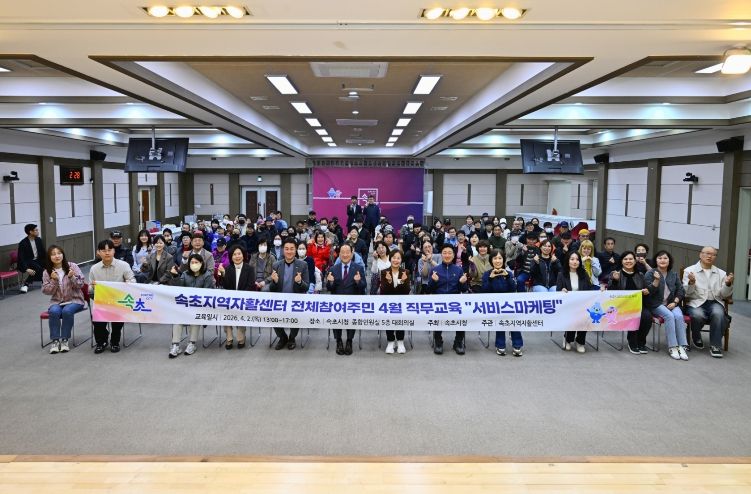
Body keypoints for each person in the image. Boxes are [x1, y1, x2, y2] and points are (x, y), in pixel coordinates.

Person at [682, 246, 734, 358]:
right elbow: (687, 293)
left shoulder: (721, 273)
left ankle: (715, 345)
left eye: (713, 254)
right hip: (696, 302)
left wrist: (728, 284)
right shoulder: (689, 271)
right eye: (707, 253)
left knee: (718, 314)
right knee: (697, 315)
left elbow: (724, 295)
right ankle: (696, 336)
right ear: (700, 254)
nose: (710, 256)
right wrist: (691, 283)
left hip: (714, 302)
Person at [162, 254, 216, 357]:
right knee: (177, 318)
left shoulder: (207, 275)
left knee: (195, 317)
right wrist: (175, 276)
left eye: (196, 262)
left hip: (200, 307)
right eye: (192, 262)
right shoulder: (185, 274)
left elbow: (207, 292)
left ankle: (192, 343)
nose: (194, 264)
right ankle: (175, 345)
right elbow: (179, 288)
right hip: (185, 306)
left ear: (201, 263)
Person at [88, 239, 136, 354]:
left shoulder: (123, 265)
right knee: (96, 316)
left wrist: (129, 282)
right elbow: (90, 289)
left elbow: (133, 280)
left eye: (109, 250)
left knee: (117, 315)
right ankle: (101, 342)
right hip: (102, 301)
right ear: (98, 252)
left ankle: (115, 341)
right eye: (104, 251)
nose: (107, 253)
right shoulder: (94, 268)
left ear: (114, 251)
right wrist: (92, 287)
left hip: (119, 301)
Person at [608, 251, 658, 355]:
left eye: (631, 259)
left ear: (635, 261)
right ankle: (632, 342)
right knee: (634, 315)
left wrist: (647, 291)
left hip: (638, 305)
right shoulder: (615, 274)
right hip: (621, 306)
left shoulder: (640, 275)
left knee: (647, 317)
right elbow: (610, 293)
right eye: (625, 259)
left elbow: (647, 290)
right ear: (621, 261)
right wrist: (615, 281)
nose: (628, 261)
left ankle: (641, 342)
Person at [41, 245, 86, 354]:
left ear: (63, 254)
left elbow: (81, 284)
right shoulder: (47, 272)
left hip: (75, 300)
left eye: (59, 253)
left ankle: (65, 340)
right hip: (57, 301)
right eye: (53, 254)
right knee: (54, 311)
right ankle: (55, 341)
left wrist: (72, 277)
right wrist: (54, 281)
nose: (57, 256)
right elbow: (46, 291)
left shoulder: (72, 266)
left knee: (67, 311)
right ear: (49, 257)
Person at [644, 251, 688, 361]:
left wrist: (675, 302)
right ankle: (672, 346)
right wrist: (656, 280)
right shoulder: (650, 273)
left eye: (665, 258)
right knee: (669, 316)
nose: (662, 260)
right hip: (655, 304)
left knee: (679, 316)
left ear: (669, 260)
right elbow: (648, 292)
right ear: (656, 260)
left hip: (671, 303)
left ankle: (682, 346)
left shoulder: (674, 274)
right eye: (660, 258)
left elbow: (681, 290)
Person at [326, 243, 367, 356]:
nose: (345, 255)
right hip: (337, 303)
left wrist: (358, 281)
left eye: (347, 252)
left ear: (352, 253)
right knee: (336, 321)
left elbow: (363, 286)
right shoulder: (333, 268)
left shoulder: (358, 268)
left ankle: (349, 341)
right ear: (339, 254)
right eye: (342, 252)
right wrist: (330, 282)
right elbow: (329, 288)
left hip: (352, 303)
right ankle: (338, 341)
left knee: (351, 320)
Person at [268, 238, 310, 350]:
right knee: (272, 315)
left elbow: (306, 287)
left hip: (296, 300)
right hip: (280, 300)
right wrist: (274, 281)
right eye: (286, 249)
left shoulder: (303, 265)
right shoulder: (276, 265)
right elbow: (272, 289)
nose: (289, 251)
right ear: (283, 250)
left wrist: (300, 282)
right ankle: (282, 337)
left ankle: (292, 337)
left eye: (292, 249)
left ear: (295, 250)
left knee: (296, 315)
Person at [429, 244, 469, 355]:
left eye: (449, 253)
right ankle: (438, 342)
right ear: (441, 255)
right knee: (437, 319)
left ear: (454, 255)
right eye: (445, 253)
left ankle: (458, 342)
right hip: (439, 301)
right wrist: (434, 281)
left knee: (461, 318)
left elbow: (464, 289)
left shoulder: (458, 270)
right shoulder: (435, 269)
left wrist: (462, 282)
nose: (447, 255)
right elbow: (429, 289)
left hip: (455, 302)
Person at [482, 249, 521, 356]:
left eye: (500, 258)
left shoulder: (509, 273)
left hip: (508, 305)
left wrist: (508, 277)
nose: (497, 261)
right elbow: (484, 291)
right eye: (495, 258)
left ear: (503, 260)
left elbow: (513, 288)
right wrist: (490, 279)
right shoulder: (487, 274)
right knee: (500, 320)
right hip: (494, 306)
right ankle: (500, 344)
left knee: (513, 320)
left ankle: (517, 345)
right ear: (491, 260)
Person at [217, 245, 255, 350]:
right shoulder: (228, 269)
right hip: (231, 300)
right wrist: (223, 274)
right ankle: (229, 338)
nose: (237, 256)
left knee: (241, 311)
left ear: (243, 255)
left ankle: (241, 337)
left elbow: (251, 285)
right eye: (234, 254)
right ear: (231, 256)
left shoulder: (250, 269)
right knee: (225, 310)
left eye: (239, 254)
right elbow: (226, 286)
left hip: (245, 300)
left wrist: (241, 298)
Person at [556, 251, 593, 353]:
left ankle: (580, 341)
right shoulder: (561, 274)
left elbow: (590, 289)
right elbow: (558, 290)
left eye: (577, 259)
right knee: (572, 316)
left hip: (582, 305)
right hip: (568, 305)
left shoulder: (584, 274)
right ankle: (568, 339)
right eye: (572, 259)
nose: (575, 262)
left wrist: (601, 289)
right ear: (567, 261)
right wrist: (562, 290)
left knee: (585, 315)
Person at [379, 249, 410, 354]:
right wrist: (389, 281)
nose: (396, 260)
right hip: (388, 303)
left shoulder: (406, 272)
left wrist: (403, 281)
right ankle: (390, 341)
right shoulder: (384, 272)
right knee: (389, 320)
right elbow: (384, 291)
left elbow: (406, 291)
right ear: (390, 258)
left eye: (398, 258)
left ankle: (400, 341)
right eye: (394, 258)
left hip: (401, 303)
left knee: (400, 320)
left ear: (401, 260)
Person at [17, 223, 45, 293]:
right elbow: (21, 258)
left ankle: (27, 284)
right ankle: (26, 284)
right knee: (38, 268)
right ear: (31, 232)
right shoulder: (23, 243)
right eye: (36, 230)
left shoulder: (39, 240)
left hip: (38, 260)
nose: (38, 231)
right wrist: (27, 269)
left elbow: (43, 252)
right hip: (28, 261)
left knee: (48, 265)